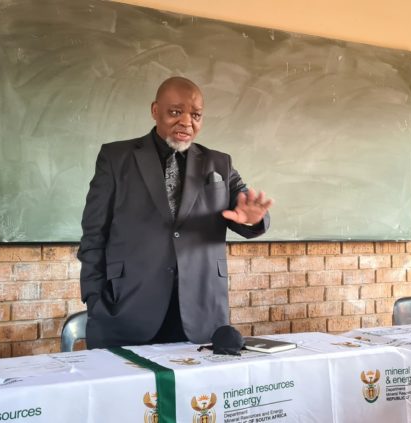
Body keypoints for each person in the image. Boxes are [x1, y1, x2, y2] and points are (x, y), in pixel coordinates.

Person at [77, 77, 272, 348]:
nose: (186, 122)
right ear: (155, 111)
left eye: (196, 115)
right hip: (127, 310)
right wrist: (94, 298)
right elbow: (94, 235)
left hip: (200, 314)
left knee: (199, 391)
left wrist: (254, 218)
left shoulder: (219, 163)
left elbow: (246, 212)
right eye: (176, 112)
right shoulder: (116, 158)